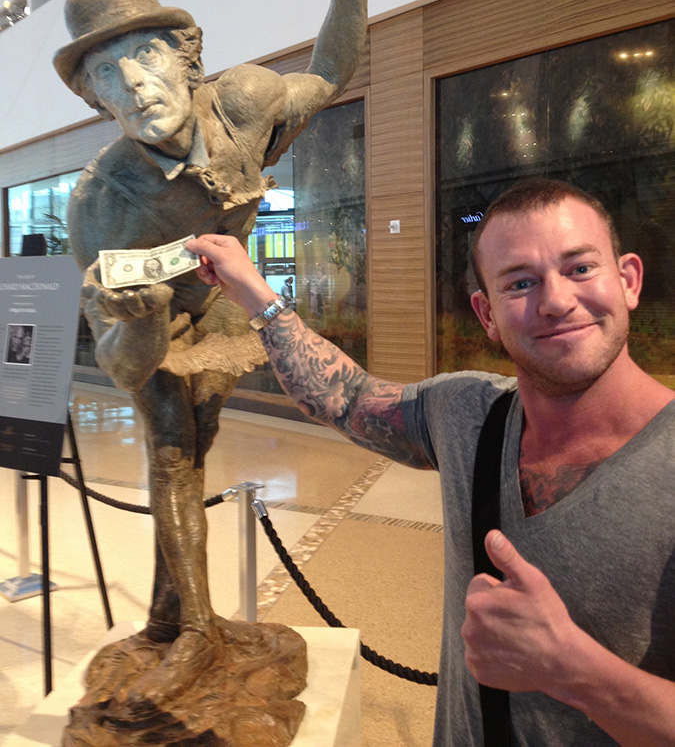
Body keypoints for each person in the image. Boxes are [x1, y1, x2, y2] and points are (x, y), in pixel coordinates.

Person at [54, 0, 454, 705]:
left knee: (195, 443)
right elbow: (122, 364)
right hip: (161, 326)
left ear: (185, 55)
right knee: (172, 446)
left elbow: (330, 71)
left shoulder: (243, 103)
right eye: (107, 75)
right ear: (92, 98)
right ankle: (193, 629)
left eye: (145, 56)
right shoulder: (99, 203)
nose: (135, 85)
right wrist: (139, 321)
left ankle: (171, 614)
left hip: (224, 299)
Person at [187, 177, 675, 747]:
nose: (556, 300)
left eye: (581, 268)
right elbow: (345, 398)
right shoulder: (469, 414)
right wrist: (254, 293)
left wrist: (573, 670)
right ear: (487, 314)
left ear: (628, 280)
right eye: (520, 282)